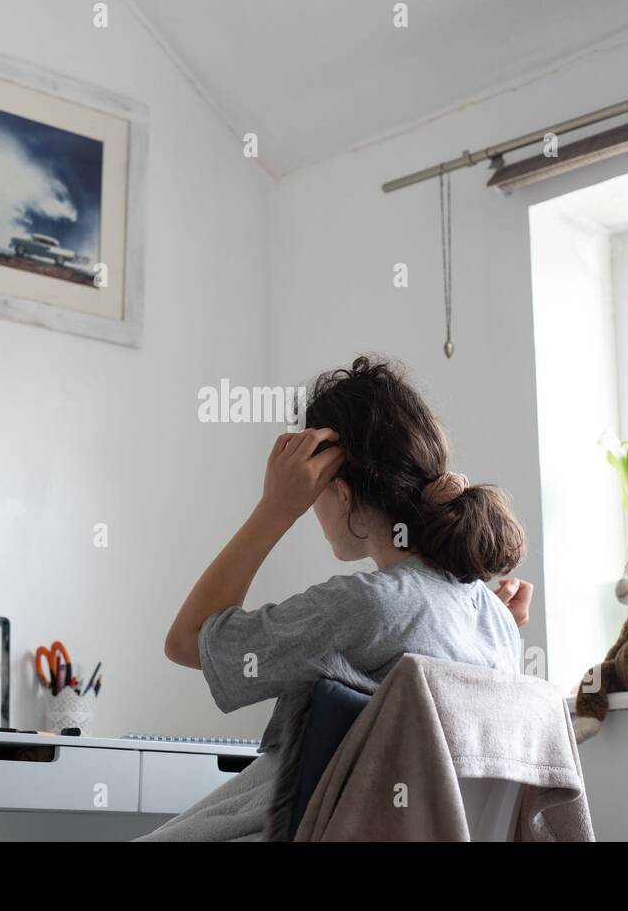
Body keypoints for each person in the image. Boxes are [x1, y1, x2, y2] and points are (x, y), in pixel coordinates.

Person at [139, 356, 532, 841]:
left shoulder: (369, 606)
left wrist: (275, 509)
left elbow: (186, 639)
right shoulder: (495, 620)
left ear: (339, 491)